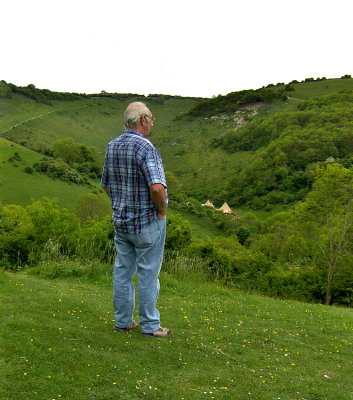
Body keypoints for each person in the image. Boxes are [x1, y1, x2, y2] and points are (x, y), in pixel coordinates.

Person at [101, 101, 171, 338]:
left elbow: (106, 185)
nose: (152, 122)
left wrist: (121, 205)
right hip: (147, 222)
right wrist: (161, 212)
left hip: (122, 222)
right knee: (148, 273)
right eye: (151, 118)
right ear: (143, 120)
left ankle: (123, 321)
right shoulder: (145, 147)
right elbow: (156, 188)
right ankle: (150, 326)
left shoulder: (112, 146)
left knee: (122, 272)